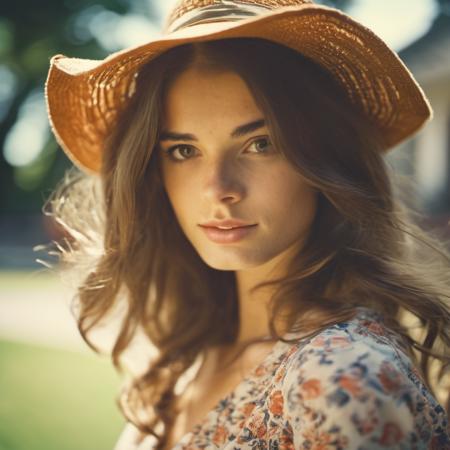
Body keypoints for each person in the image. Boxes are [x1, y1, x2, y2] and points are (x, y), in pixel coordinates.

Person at [43, 0, 450, 449]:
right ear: (153, 172)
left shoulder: (341, 376)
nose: (218, 188)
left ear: (326, 159)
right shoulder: (188, 357)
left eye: (260, 143)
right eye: (183, 150)